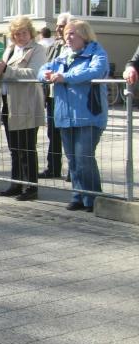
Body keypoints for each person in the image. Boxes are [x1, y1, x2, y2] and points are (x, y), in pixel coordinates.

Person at [39, 20, 108, 212]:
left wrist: (65, 77)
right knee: (73, 161)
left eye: (72, 33)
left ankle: (93, 198)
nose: (67, 37)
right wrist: (46, 75)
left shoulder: (97, 52)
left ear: (84, 35)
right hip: (65, 115)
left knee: (84, 158)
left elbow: (95, 71)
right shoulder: (63, 55)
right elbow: (41, 70)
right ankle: (78, 196)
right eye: (66, 34)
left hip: (89, 115)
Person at [0, 16, 45, 201]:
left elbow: (34, 73)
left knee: (27, 148)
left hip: (27, 103)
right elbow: (0, 72)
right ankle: (16, 184)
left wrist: (4, 69)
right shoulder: (10, 49)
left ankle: (31, 187)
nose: (20, 37)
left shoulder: (37, 49)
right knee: (14, 148)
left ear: (30, 33)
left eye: (23, 33)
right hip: (8, 102)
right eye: (16, 34)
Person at [39, 13, 71, 179]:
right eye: (57, 25)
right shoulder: (54, 46)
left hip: (68, 98)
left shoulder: (77, 46)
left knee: (69, 134)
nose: (58, 28)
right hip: (52, 97)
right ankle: (53, 168)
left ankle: (73, 170)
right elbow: (45, 66)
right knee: (53, 133)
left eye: (62, 25)